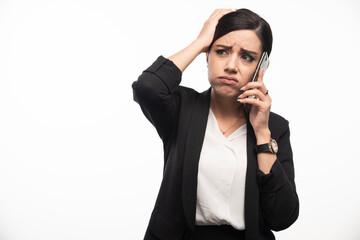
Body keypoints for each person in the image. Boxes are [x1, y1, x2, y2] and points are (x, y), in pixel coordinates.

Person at [132, 8, 299, 240]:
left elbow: (282, 218)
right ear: (208, 56)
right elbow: (147, 87)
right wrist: (201, 42)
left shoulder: (275, 128)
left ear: (261, 67)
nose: (231, 66)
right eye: (221, 51)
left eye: (247, 57)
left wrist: (262, 134)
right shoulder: (181, 108)